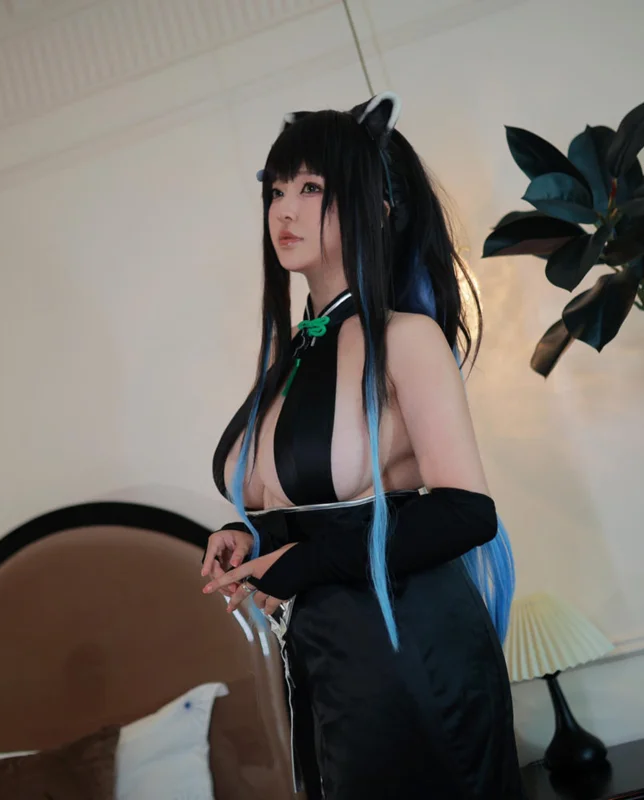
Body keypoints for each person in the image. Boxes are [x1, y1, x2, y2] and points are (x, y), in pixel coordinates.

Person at [200, 92, 524, 799]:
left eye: (311, 188)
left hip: (411, 651)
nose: (284, 211)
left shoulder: (407, 339)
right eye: (276, 190)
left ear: (373, 206)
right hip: (323, 659)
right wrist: (248, 536)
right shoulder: (292, 353)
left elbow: (467, 513)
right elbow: (309, 506)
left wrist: (302, 562)